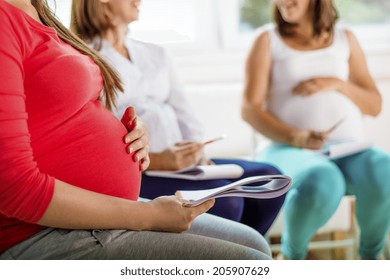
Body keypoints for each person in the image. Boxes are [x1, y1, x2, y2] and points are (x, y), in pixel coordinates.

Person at [0, 0, 273, 260]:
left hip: (101, 211)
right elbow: (12, 188)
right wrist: (148, 215)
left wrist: (131, 134)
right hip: (42, 232)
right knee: (252, 262)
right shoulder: (4, 18)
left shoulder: (38, 13)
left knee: (255, 243)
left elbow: (56, 114)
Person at [70, 0, 286, 236]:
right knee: (227, 202)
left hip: (184, 166)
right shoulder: (82, 59)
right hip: (141, 172)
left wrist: (198, 152)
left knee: (270, 179)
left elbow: (184, 112)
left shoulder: (155, 52)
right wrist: (159, 160)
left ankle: (245, 255)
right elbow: (94, 142)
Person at [241, 0, 390, 259]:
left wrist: (335, 83)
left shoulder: (346, 37)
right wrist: (296, 137)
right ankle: (291, 258)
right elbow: (250, 109)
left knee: (385, 170)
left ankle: (372, 259)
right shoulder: (267, 39)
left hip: (348, 149)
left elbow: (374, 105)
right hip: (284, 148)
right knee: (322, 179)